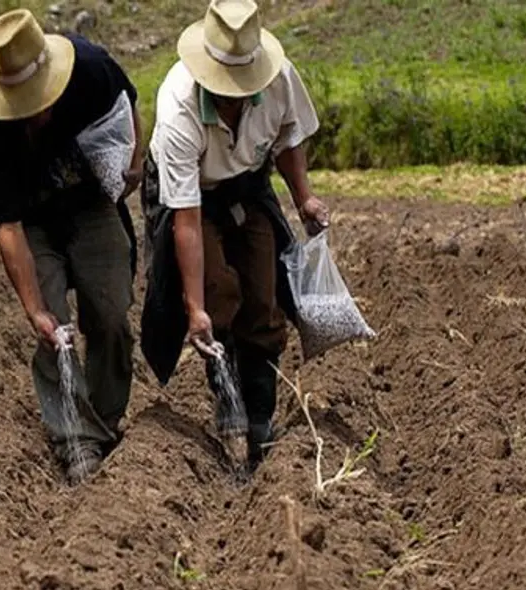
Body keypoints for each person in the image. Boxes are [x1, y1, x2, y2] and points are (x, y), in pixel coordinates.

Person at [140, 0, 330, 470]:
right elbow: (186, 220)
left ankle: (261, 418)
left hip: (247, 184)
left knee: (264, 296)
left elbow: (288, 137)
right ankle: (226, 394)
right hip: (192, 195)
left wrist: (303, 197)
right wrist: (195, 309)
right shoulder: (179, 103)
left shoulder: (279, 78)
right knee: (216, 288)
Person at [0, 8, 143, 485]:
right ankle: (75, 439)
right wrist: (34, 310)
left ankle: (104, 422)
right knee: (54, 330)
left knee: (110, 315)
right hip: (32, 220)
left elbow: (128, 105)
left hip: (90, 204)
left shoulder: (90, 68)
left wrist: (135, 162)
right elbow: (7, 226)